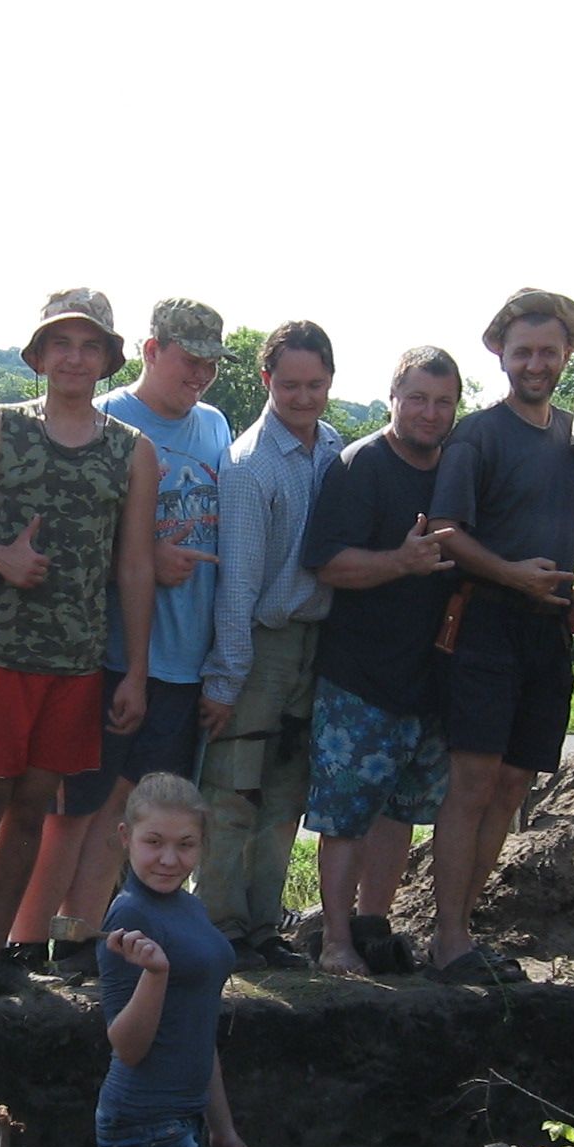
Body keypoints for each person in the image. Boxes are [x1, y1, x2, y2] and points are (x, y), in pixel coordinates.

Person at [0, 288, 160, 1000]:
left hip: (76, 664)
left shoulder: (133, 452)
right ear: (38, 355)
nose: (75, 357)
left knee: (31, 811)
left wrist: (137, 674)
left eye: (90, 346)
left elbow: (134, 565)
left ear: (109, 359)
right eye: (61, 343)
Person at [13, 299, 234, 980]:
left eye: (210, 363)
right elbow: (73, 543)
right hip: (109, 654)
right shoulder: (107, 420)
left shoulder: (216, 426)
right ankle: (25, 946)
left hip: (183, 657)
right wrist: (138, 558)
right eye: (187, 358)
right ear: (149, 350)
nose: (199, 374)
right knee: (73, 809)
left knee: (126, 810)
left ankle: (81, 943)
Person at [425, 290, 574, 985]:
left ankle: (466, 929)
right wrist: (512, 575)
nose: (535, 362)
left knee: (516, 781)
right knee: (472, 780)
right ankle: (446, 939)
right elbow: (444, 532)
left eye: (548, 351)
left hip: (548, 626)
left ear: (566, 355)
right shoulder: (478, 434)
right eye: (522, 351)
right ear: (500, 353)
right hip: (487, 619)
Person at [298, 346, 462, 975]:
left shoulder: (456, 469)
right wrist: (400, 561)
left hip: (431, 677)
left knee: (399, 812)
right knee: (345, 818)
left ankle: (372, 926)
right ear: (393, 397)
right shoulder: (359, 465)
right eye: (417, 398)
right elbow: (326, 561)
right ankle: (335, 942)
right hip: (360, 677)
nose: (429, 412)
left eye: (443, 401)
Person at [197, 321, 343, 969]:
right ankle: (220, 925)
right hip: (262, 640)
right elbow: (238, 584)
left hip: (319, 641)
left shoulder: (335, 448)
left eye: (314, 385)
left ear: (331, 382)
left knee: (286, 795)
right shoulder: (250, 464)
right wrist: (225, 681)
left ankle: (263, 925)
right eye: (289, 385)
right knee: (233, 792)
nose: (303, 397)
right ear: (265, 381)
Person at [97, 772, 250, 1147]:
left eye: (186, 845)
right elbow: (127, 1047)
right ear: (126, 836)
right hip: (144, 1124)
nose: (169, 859)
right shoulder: (130, 914)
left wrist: (222, 1129)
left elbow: (199, 1030)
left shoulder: (190, 906)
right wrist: (155, 975)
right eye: (154, 842)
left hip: (187, 1118)